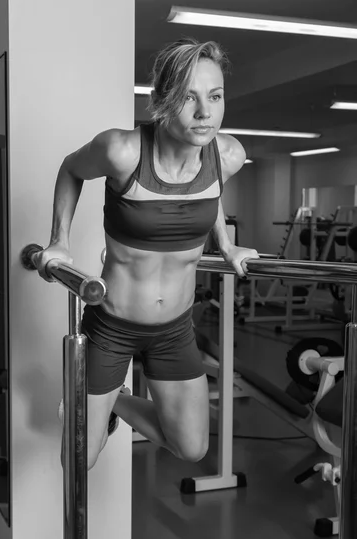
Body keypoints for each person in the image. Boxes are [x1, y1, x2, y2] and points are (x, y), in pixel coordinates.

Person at [37, 38, 259, 470]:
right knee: (77, 460)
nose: (204, 112)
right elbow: (70, 168)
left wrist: (226, 243)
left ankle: (117, 402)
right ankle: (101, 407)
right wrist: (59, 239)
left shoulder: (228, 155)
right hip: (111, 326)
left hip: (174, 330)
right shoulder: (122, 151)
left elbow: (208, 197)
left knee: (192, 447)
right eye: (188, 97)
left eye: (215, 97)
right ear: (161, 100)